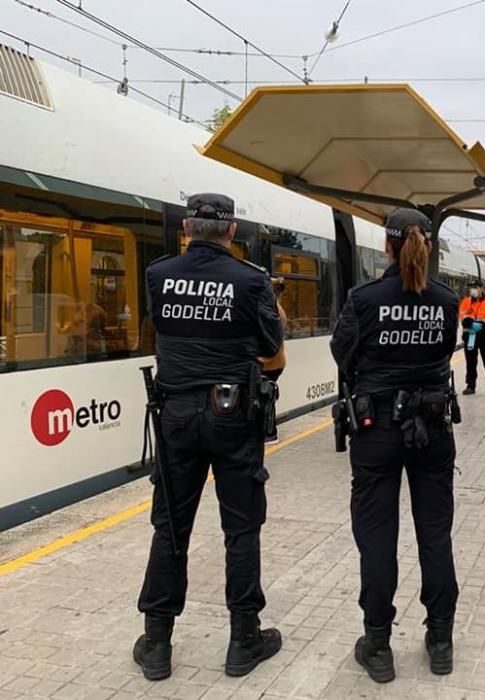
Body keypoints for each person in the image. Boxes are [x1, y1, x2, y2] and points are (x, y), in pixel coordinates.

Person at [134, 193, 283, 681]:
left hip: (174, 413)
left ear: (186, 228)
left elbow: (158, 329)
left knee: (171, 525)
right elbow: (269, 347)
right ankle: (243, 640)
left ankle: (157, 643)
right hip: (232, 415)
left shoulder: (158, 275)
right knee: (241, 527)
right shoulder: (252, 281)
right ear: (232, 231)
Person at [330, 208, 461, 684]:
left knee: (377, 538)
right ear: (428, 245)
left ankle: (378, 645)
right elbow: (445, 351)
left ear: (387, 245)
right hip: (432, 429)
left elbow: (342, 354)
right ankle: (441, 639)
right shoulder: (446, 301)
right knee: (435, 534)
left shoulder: (364, 299)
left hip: (376, 429)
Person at [258, 277, 288, 445]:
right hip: (275, 361)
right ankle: (268, 432)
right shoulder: (277, 307)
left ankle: (270, 433)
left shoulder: (273, 309)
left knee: (265, 396)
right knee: (266, 395)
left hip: (270, 362)